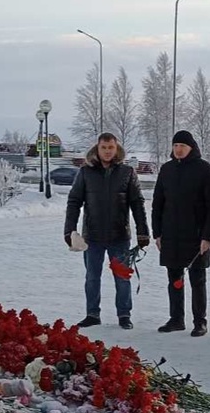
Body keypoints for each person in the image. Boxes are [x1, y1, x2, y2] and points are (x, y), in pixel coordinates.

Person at [65, 132, 149, 330]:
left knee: (122, 278)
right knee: (92, 277)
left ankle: (124, 314)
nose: (107, 151)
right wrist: (69, 230)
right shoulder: (86, 172)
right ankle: (92, 314)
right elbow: (74, 201)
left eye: (111, 147)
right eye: (104, 147)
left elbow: (137, 203)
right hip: (92, 236)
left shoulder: (127, 172)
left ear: (116, 148)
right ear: (98, 148)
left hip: (119, 236)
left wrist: (143, 231)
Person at [152, 130, 210, 337]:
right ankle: (176, 319)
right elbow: (157, 204)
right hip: (171, 234)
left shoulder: (204, 170)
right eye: (175, 146)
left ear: (191, 148)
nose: (179, 149)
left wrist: (208, 236)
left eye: (182, 146)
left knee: (197, 279)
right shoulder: (167, 169)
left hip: (197, 235)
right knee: (174, 277)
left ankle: (200, 321)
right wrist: (157, 233)